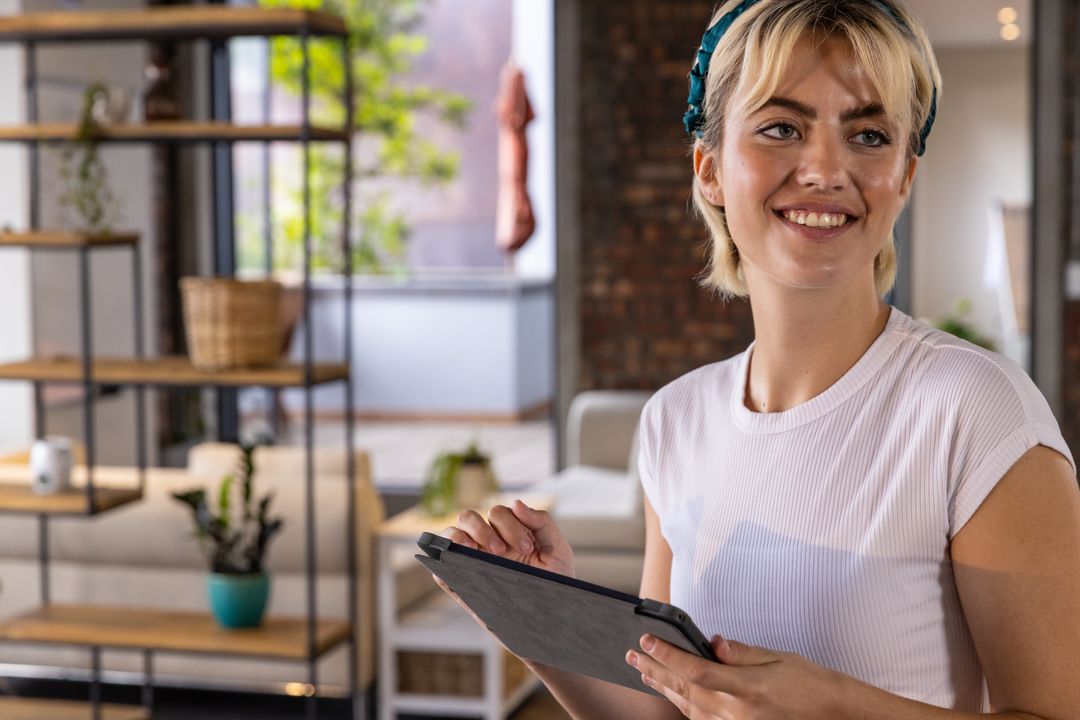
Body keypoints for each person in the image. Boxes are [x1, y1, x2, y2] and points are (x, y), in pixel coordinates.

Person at [437, 1, 1080, 717]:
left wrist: (834, 705)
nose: (827, 168)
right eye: (781, 127)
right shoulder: (673, 422)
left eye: (868, 134)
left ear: (903, 176)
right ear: (709, 169)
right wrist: (542, 622)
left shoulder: (980, 413)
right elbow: (664, 706)